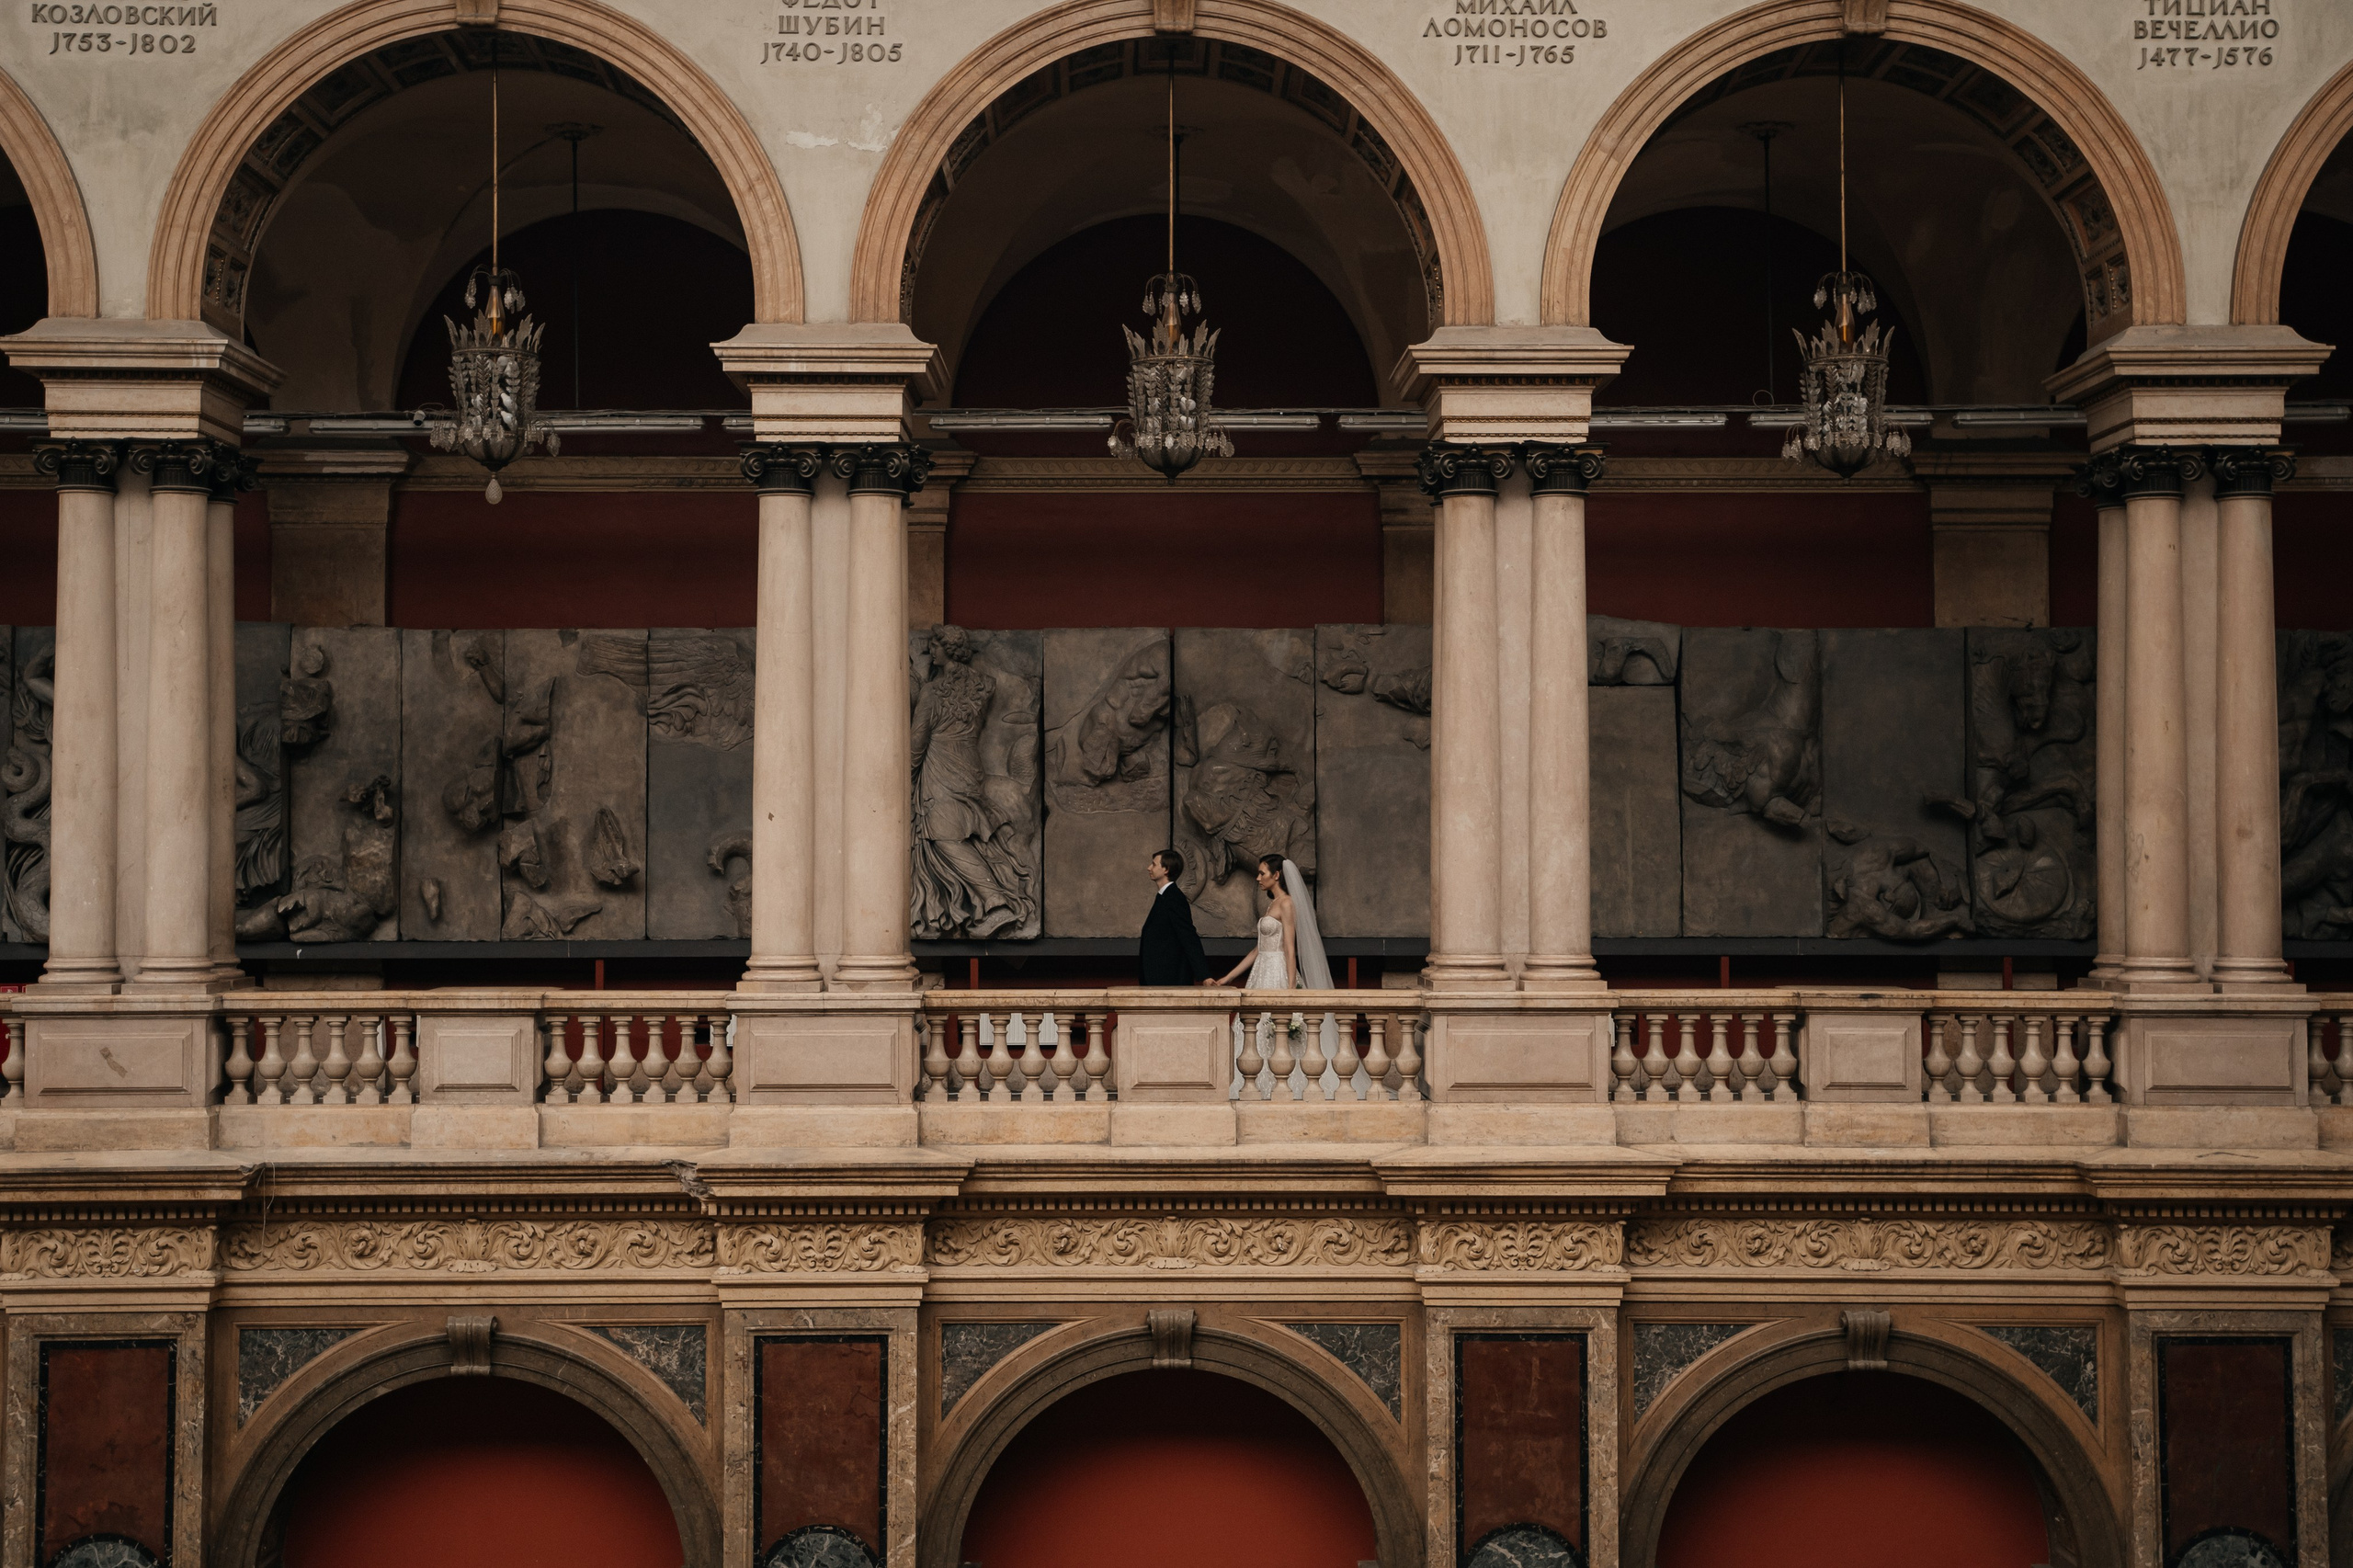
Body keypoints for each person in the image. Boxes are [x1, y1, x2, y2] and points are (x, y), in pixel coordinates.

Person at [1210, 853, 1334, 990]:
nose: (1258, 878)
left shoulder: (1286, 903)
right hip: (1261, 968)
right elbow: (1258, 950)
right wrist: (1228, 978)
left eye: (1262, 874)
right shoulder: (1273, 903)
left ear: (1276, 875)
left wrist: (1291, 987)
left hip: (1277, 971)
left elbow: (1289, 948)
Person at [1136, 848, 1212, 987]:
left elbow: (1188, 935)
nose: (1149, 868)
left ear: (1166, 869)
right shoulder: (1164, 896)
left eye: (1154, 864)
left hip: (1168, 978)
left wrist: (1204, 975)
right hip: (1158, 977)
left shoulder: (1174, 898)